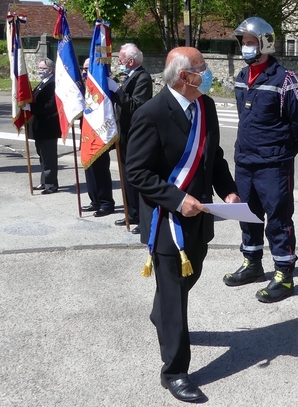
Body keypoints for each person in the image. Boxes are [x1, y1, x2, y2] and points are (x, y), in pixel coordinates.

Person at [126, 47, 239, 403]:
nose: (208, 73)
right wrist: (176, 199)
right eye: (202, 68)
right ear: (183, 76)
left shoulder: (205, 106)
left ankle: (161, 312)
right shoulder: (151, 113)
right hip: (167, 221)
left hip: (199, 217)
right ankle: (174, 372)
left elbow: (213, 157)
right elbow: (136, 172)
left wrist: (228, 190)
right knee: (175, 297)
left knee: (189, 277)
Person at [223, 17, 298, 303]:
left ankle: (284, 274)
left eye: (251, 42)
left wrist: (284, 152)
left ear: (264, 44)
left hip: (274, 164)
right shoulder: (241, 77)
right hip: (245, 160)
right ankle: (252, 263)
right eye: (244, 43)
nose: (246, 48)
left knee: (278, 218)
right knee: (246, 215)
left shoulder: (285, 79)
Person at [109, 43, 153, 233]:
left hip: (135, 135)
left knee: (136, 177)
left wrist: (117, 91)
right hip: (124, 135)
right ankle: (132, 212)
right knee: (126, 177)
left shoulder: (142, 77)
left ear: (131, 61)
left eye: (121, 59)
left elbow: (136, 106)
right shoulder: (130, 77)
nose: (119, 63)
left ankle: (143, 219)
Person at [79, 57, 117, 217]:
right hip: (87, 133)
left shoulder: (103, 84)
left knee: (101, 170)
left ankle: (106, 203)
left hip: (100, 134)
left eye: (88, 68)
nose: (85, 71)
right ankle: (95, 200)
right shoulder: (83, 85)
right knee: (89, 169)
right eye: (84, 68)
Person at [29, 58, 61, 195]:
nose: (39, 70)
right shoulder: (43, 83)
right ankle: (44, 181)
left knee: (49, 158)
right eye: (39, 68)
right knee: (42, 156)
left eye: (42, 68)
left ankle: (51, 184)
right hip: (39, 127)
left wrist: (31, 108)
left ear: (50, 70)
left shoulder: (53, 84)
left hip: (48, 126)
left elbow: (51, 105)